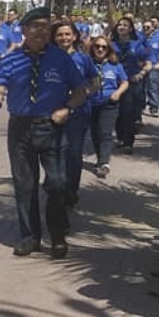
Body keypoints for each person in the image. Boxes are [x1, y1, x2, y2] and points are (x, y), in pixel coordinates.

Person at [0, 7, 87, 258]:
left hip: (52, 126)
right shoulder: (11, 60)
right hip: (21, 128)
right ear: (24, 30)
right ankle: (30, 237)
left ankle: (57, 235)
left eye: (45, 26)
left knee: (58, 184)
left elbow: (80, 90)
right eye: (35, 26)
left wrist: (68, 109)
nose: (40, 31)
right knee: (25, 185)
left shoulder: (61, 58)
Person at [53, 21, 101, 211]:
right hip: (54, 112)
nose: (64, 38)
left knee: (73, 154)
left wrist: (84, 94)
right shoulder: (48, 58)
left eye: (67, 34)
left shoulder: (83, 59)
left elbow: (95, 81)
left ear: (74, 36)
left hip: (77, 114)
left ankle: (70, 192)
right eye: (60, 35)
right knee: (55, 153)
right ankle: (57, 187)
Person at [87, 35, 128, 180]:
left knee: (105, 133)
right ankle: (100, 158)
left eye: (103, 47)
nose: (100, 49)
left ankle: (104, 163)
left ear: (108, 49)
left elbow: (124, 82)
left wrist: (118, 93)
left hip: (109, 103)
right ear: (92, 48)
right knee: (95, 133)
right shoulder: (87, 63)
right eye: (97, 46)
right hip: (91, 104)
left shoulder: (115, 65)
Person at [111, 16, 151, 154]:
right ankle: (121, 138)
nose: (121, 27)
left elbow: (148, 62)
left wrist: (140, 75)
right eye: (119, 25)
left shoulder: (137, 45)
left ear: (130, 29)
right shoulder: (111, 44)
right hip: (115, 83)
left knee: (129, 113)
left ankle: (128, 142)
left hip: (132, 83)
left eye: (125, 25)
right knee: (117, 113)